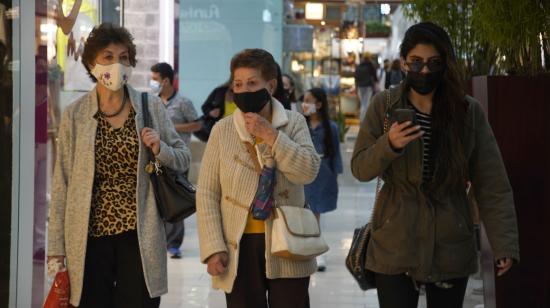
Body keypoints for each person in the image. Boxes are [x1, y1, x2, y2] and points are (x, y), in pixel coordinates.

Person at [351, 22, 519, 308]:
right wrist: (388, 145)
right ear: (404, 62)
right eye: (416, 63)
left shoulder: (466, 111)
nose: (425, 71)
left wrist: (504, 243)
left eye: (433, 63)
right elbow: (360, 168)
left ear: (445, 64)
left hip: (450, 240)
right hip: (396, 239)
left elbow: (492, 182)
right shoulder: (385, 105)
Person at [47, 23, 190, 308]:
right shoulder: (76, 114)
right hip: (88, 237)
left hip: (139, 233)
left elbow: (183, 156)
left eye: (124, 57)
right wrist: (56, 248)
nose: (117, 63)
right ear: (92, 63)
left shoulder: (149, 107)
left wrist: (160, 148)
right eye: (108, 56)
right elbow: (62, 183)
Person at [196, 48, 321, 308]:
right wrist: (212, 247)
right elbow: (207, 192)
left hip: (287, 239)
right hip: (238, 244)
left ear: (271, 86)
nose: (244, 91)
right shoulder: (222, 130)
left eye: (252, 83)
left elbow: (308, 171)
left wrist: (272, 136)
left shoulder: (294, 122)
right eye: (238, 84)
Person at [150, 62, 199, 259]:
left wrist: (171, 129)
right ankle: (159, 240)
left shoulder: (183, 102)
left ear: (166, 80)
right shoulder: (151, 103)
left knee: (175, 199)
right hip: (156, 158)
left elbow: (197, 124)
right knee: (156, 200)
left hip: (177, 159)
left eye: (155, 79)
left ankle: (174, 244)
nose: (152, 83)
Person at [301, 87, 343, 272]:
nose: (304, 104)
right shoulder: (299, 125)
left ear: (318, 104)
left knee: (315, 214)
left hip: (322, 176)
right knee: (303, 214)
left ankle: (317, 253)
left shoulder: (331, 127)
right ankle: (306, 249)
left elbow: (335, 154)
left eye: (308, 100)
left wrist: (335, 177)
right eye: (303, 100)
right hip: (302, 175)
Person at [354, 53, 378, 121]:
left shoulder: (359, 66)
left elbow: (356, 77)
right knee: (366, 103)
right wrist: (375, 85)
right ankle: (363, 120)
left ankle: (362, 119)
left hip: (360, 87)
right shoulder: (370, 65)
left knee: (362, 103)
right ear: (369, 57)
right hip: (368, 87)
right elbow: (375, 77)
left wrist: (356, 87)